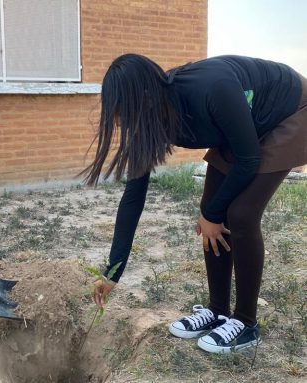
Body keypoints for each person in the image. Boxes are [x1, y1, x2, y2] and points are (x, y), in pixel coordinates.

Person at [85, 54, 306, 354]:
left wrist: (213, 215)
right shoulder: (148, 119)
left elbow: (249, 158)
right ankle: (217, 312)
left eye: (124, 109)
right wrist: (113, 272)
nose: (121, 119)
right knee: (211, 208)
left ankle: (246, 323)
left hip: (289, 111)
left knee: (240, 214)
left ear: (146, 96)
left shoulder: (210, 89)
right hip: (244, 125)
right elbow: (134, 196)